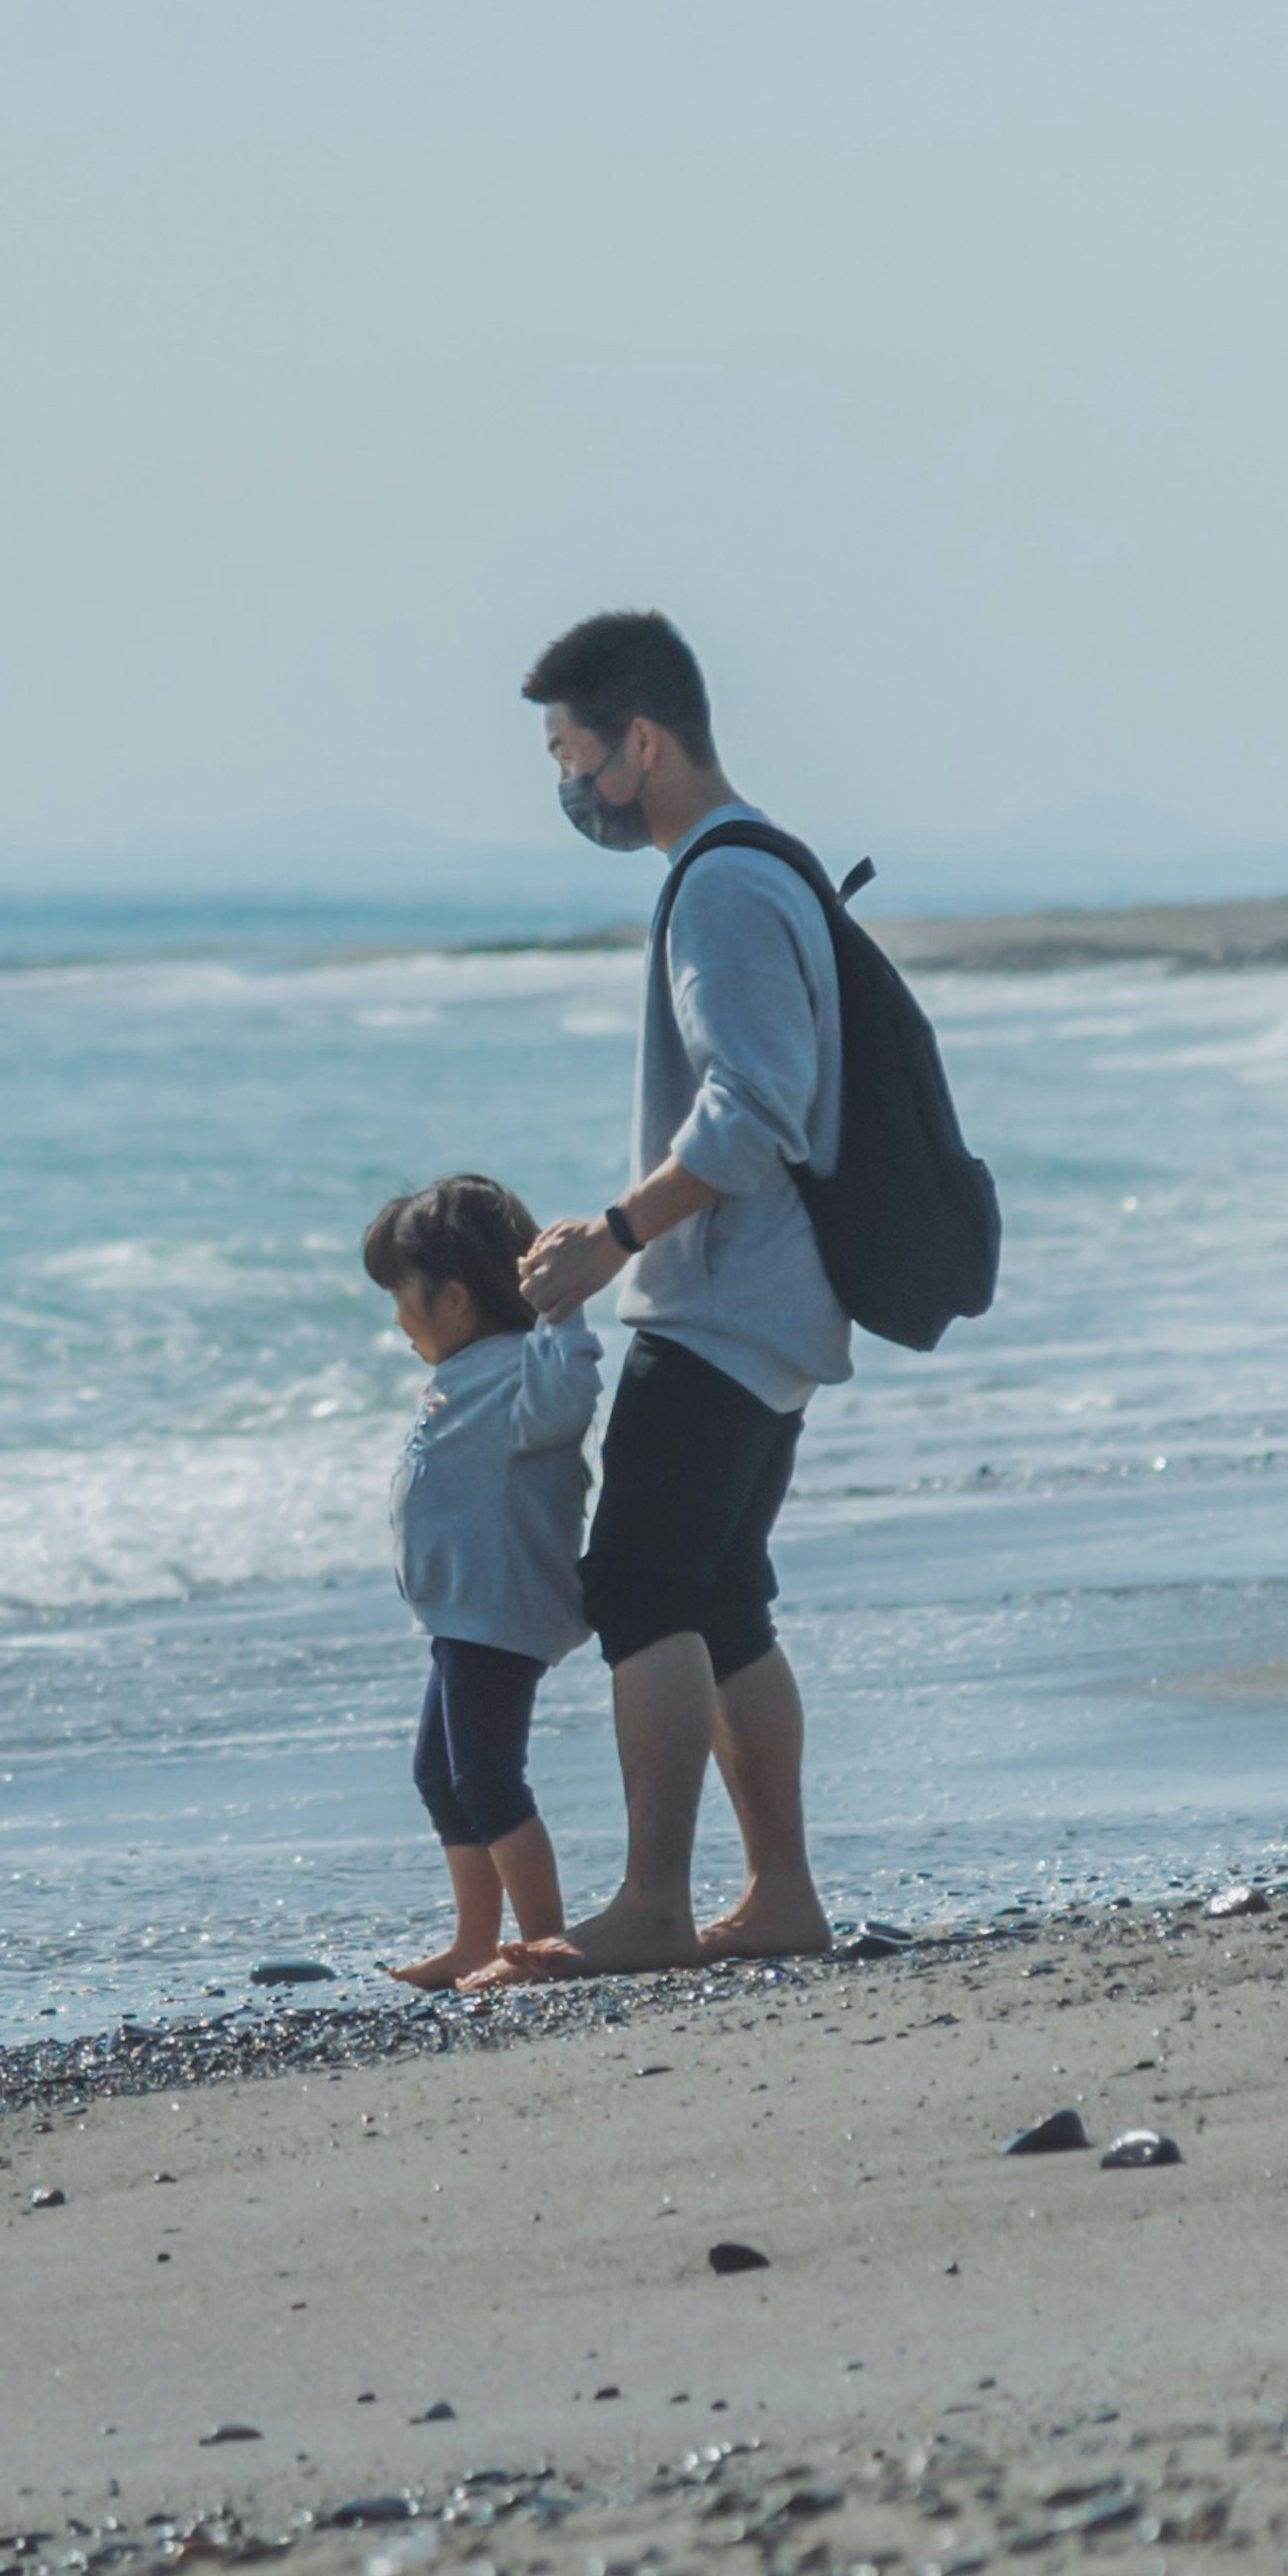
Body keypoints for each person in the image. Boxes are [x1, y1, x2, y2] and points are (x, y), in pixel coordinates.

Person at [503, 608, 843, 1971]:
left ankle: (651, 1903)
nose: (571, 786)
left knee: (639, 1583)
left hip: (721, 1300)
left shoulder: (719, 883)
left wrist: (613, 1234)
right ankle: (781, 1896)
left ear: (642, 742)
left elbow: (754, 1109)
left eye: (573, 754)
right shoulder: (767, 864)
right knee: (721, 1596)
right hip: (780, 1304)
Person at [361, 1171, 600, 1988]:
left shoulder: (520, 1367)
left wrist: (564, 1308)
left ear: (455, 1297)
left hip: (498, 1609)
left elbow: (568, 1399)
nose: (397, 1318)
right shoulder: (469, 1368)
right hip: (460, 1614)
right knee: (440, 1776)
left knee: (488, 1779)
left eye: (404, 1295)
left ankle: (543, 1942)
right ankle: (475, 1939)